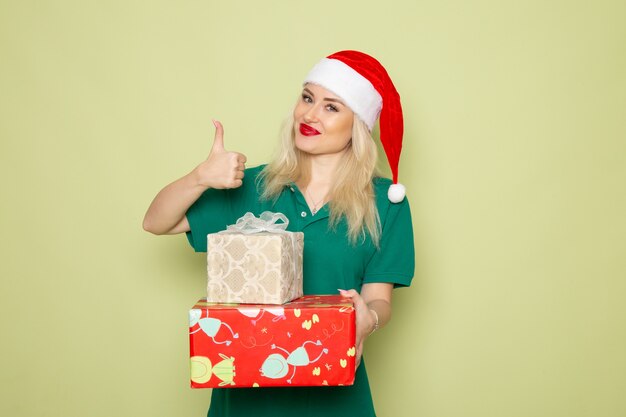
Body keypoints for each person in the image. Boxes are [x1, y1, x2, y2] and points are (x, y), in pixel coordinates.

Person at [143, 50, 415, 417]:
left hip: (336, 396)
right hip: (247, 396)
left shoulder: (385, 203)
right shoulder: (252, 185)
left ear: (358, 126)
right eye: (307, 98)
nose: (310, 114)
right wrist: (200, 177)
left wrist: (370, 319)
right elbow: (157, 222)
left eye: (331, 107)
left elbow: (379, 299)